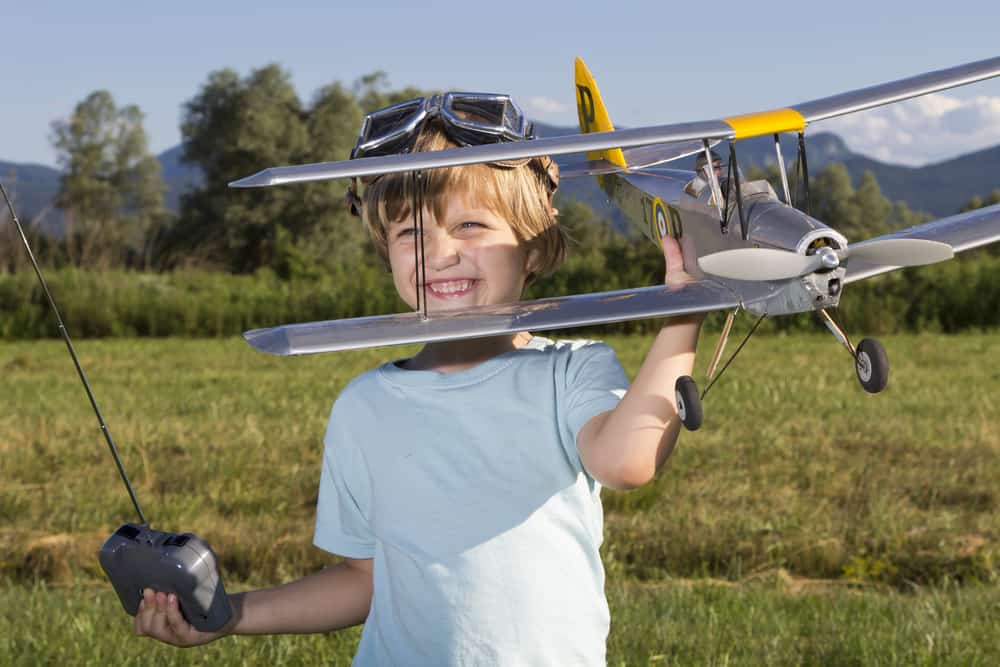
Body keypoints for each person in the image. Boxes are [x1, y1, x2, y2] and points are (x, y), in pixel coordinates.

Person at [134, 92, 703, 665]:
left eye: (471, 225)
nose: (441, 254)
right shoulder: (364, 407)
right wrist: (230, 614)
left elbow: (627, 461)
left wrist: (686, 311)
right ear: (387, 252)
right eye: (411, 234)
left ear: (533, 246)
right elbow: (363, 580)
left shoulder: (571, 370)